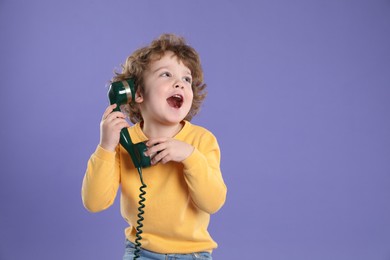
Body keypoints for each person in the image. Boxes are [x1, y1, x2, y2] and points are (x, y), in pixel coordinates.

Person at [81, 33, 227, 260]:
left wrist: (189, 156)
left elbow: (213, 202)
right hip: (141, 252)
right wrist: (106, 147)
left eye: (186, 79)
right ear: (136, 93)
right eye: (166, 74)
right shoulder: (123, 143)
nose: (179, 82)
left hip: (192, 254)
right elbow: (94, 202)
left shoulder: (202, 141)